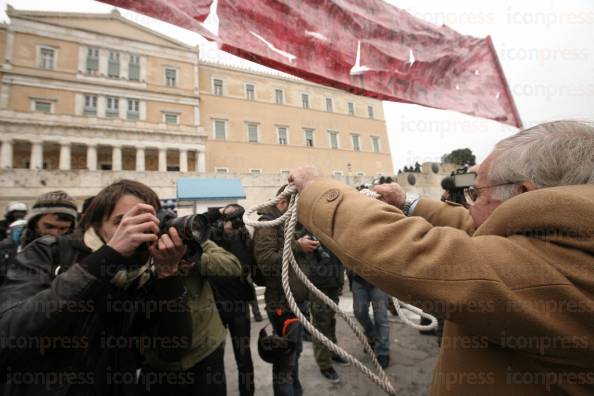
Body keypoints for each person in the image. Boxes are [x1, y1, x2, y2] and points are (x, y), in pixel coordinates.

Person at [289, 120, 594, 395]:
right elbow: (474, 228)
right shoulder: (569, 235)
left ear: (524, 195)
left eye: (476, 194)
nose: (469, 206)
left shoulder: (559, 267)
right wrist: (406, 201)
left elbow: (412, 251)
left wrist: (319, 191)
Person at [0, 179, 193, 395]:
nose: (133, 231)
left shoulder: (142, 274)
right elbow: (10, 336)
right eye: (122, 222)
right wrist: (106, 259)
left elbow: (173, 350)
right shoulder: (50, 252)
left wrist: (168, 276)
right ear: (96, 224)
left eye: (144, 223)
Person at [138, 207, 242, 396]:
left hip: (206, 349)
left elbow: (233, 266)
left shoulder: (196, 243)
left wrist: (197, 261)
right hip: (159, 363)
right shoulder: (141, 250)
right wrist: (159, 267)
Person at [253, 185, 317, 396]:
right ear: (282, 204)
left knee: (292, 356)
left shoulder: (286, 223)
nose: (297, 214)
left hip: (296, 304)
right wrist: (298, 245)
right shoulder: (268, 225)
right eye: (295, 208)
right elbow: (267, 263)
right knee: (284, 362)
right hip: (283, 306)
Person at [208, 203, 258, 396]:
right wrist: (219, 218)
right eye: (229, 218)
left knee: (244, 357)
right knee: (214, 360)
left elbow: (251, 267)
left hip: (239, 305)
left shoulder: (244, 237)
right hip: (215, 306)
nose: (233, 223)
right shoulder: (211, 236)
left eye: (236, 219)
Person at [297, 226, 349, 382]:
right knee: (320, 324)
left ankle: (333, 351)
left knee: (330, 320)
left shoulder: (331, 224)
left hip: (333, 281)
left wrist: (339, 280)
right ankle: (324, 363)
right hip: (318, 283)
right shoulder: (305, 224)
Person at [349, 270, 391, 368]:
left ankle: (383, 351)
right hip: (358, 280)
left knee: (381, 318)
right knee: (359, 313)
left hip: (379, 282)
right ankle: (373, 336)